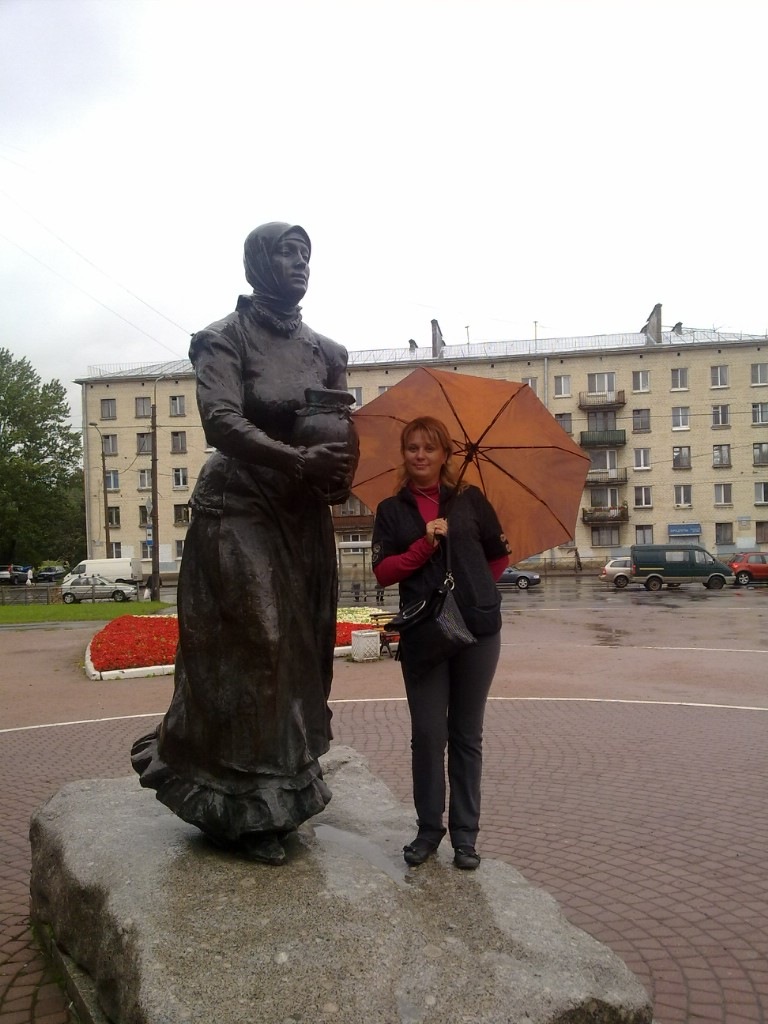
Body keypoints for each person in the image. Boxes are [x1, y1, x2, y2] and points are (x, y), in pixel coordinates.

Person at [131, 223, 357, 865]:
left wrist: (339, 473)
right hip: (238, 506)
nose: (300, 262)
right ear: (257, 261)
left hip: (300, 512)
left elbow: (338, 428)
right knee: (260, 643)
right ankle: (235, 801)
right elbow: (221, 421)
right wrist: (298, 460)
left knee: (302, 651)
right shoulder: (222, 337)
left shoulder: (327, 350)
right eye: (287, 251)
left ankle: (282, 793)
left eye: (306, 253)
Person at [371, 417, 509, 870]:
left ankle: (466, 837)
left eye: (429, 448)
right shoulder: (391, 510)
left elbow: (498, 556)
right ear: (404, 454)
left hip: (477, 631)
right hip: (425, 635)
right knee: (429, 736)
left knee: (467, 735)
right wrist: (424, 545)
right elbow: (383, 572)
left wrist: (472, 592)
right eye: (412, 447)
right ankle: (429, 830)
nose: (420, 455)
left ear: (445, 454)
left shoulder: (469, 500)